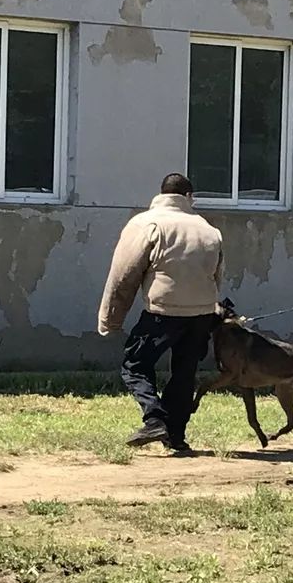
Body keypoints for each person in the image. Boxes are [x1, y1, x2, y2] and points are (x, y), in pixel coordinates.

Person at [97, 173, 223, 455]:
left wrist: (111, 319)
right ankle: (175, 436)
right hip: (202, 312)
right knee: (184, 373)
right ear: (190, 197)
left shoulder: (146, 223)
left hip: (162, 311)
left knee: (135, 365)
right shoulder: (208, 229)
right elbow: (217, 276)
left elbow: (123, 275)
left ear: (161, 194)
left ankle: (154, 419)